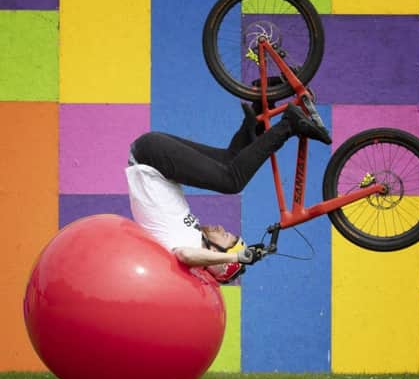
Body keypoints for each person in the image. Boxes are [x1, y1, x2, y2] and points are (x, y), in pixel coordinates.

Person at [125, 96, 329, 284]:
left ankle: (289, 125)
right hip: (153, 155)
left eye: (227, 237)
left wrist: (236, 257)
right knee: (229, 161)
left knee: (232, 182)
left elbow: (186, 256)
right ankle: (262, 108)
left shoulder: (187, 247)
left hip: (151, 157)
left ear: (217, 254)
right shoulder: (193, 236)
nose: (223, 229)